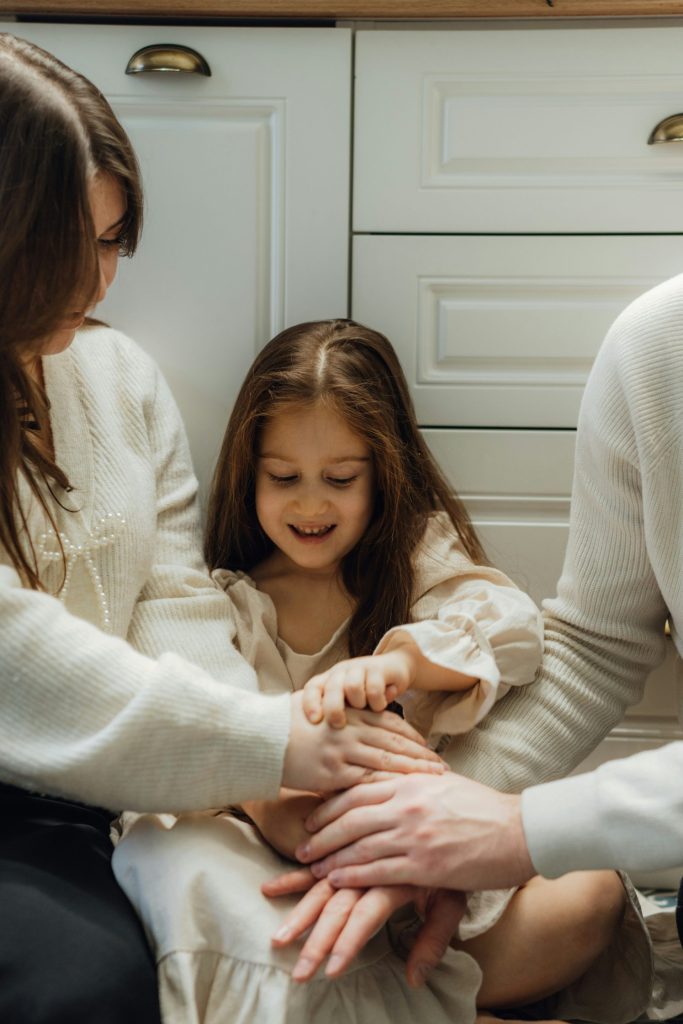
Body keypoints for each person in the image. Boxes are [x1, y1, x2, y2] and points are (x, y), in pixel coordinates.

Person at [0, 34, 442, 1024]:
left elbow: (172, 599)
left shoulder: (119, 379)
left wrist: (257, 787)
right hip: (27, 794)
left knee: (301, 949)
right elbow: (14, 655)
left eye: (114, 239)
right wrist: (268, 743)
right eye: (63, 244)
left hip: (111, 790)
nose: (99, 278)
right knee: (85, 992)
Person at [112, 319, 650, 1024]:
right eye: (284, 478)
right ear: (250, 473)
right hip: (286, 868)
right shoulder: (230, 601)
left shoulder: (418, 562)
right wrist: (271, 795)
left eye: (339, 479)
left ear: (383, 468)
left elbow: (513, 631)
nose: (310, 505)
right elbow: (195, 734)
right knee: (177, 858)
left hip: (425, 864)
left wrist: (401, 661)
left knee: (591, 891)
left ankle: (400, 1000)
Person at [287, 274, 683, 1020]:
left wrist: (514, 832)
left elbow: (500, 629)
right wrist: (421, 826)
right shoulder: (655, 345)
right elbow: (597, 646)